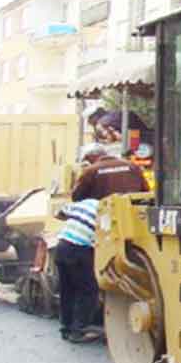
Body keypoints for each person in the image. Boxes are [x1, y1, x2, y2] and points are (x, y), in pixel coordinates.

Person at [54, 196, 103, 343]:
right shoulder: (106, 210)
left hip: (61, 247)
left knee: (67, 290)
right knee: (88, 290)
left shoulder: (85, 203)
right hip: (79, 250)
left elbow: (59, 213)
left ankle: (66, 328)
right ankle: (79, 330)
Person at [71, 143, 149, 202]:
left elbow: (77, 197)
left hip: (104, 214)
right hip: (131, 213)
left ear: (90, 157)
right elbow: (145, 190)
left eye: (86, 159)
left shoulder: (91, 170)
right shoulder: (132, 166)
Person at [88, 106, 153, 154]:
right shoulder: (117, 113)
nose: (89, 122)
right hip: (144, 137)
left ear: (93, 117)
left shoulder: (101, 123)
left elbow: (112, 137)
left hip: (132, 141)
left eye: (89, 120)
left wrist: (106, 141)